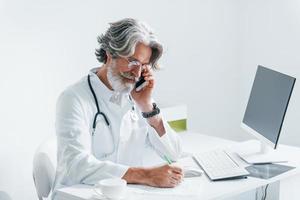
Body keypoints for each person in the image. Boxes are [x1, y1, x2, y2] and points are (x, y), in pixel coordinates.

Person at [52, 18, 183, 199]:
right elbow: (76, 165)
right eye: (132, 61)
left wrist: (147, 106)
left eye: (143, 65)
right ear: (109, 54)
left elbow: (173, 153)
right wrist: (146, 175)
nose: (137, 73)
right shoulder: (74, 98)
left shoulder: (137, 97)